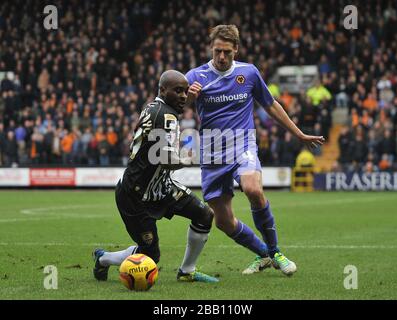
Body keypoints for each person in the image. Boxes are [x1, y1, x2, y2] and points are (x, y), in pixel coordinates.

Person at [185, 25, 325, 275]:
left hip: (242, 143)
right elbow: (173, 106)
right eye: (217, 51)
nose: (221, 57)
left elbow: (271, 105)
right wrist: (188, 98)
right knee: (224, 222)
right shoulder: (195, 76)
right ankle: (263, 254)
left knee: (253, 188)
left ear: (236, 49)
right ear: (211, 48)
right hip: (213, 150)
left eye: (227, 52)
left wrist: (299, 134)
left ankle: (276, 252)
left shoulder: (248, 73)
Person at [93, 70, 218, 283]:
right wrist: (196, 157)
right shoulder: (165, 115)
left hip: (161, 188)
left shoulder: (158, 108)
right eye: (178, 91)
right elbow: (165, 159)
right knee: (150, 255)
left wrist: (188, 99)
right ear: (162, 90)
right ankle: (103, 259)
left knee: (204, 214)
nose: (183, 96)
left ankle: (187, 271)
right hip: (136, 195)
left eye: (185, 91)